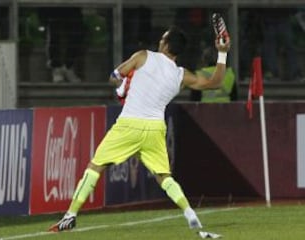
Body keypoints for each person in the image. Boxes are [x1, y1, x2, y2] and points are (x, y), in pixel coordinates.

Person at [49, 25, 231, 232]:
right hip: (155, 127)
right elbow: (215, 82)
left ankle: (70, 216)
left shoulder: (143, 56)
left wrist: (122, 81)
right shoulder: (182, 75)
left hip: (129, 123)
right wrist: (223, 53)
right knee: (164, 177)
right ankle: (189, 212)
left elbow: (115, 76)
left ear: (165, 44)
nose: (160, 41)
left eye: (162, 39)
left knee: (95, 167)